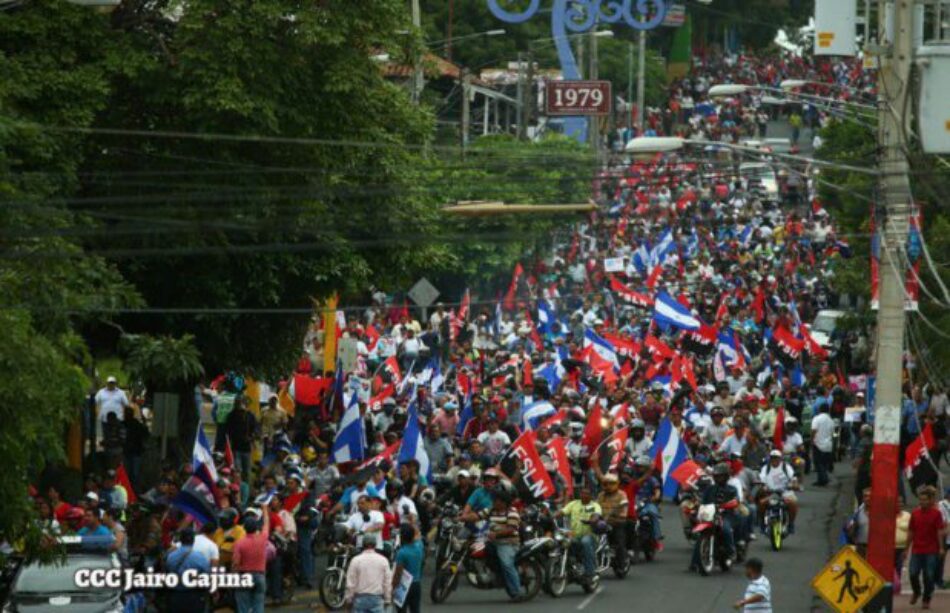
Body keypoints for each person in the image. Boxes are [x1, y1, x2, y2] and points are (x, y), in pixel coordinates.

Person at [907, 485, 946, 608]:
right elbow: (911, 531)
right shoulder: (915, 513)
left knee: (929, 576)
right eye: (921, 500)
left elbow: (939, 531)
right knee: (913, 573)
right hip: (917, 549)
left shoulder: (936, 514)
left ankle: (926, 599)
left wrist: (941, 548)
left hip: (931, 550)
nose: (923, 502)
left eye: (925, 500)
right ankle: (917, 591)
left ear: (930, 500)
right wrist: (906, 548)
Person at [557, 485, 601, 583]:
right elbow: (562, 512)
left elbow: (596, 515)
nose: (584, 495)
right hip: (574, 536)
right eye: (582, 493)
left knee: (585, 542)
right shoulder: (573, 504)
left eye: (587, 493)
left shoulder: (594, 505)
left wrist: (592, 520)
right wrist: (552, 516)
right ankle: (567, 568)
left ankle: (590, 574)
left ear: (591, 495)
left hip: (590, 536)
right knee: (562, 542)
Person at [486, 490, 524, 600]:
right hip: (493, 541)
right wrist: (461, 518)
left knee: (507, 564)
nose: (493, 502)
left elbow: (511, 529)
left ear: (503, 502)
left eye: (496, 500)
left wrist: (496, 534)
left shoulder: (512, 512)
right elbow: (477, 516)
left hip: (508, 543)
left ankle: (517, 592)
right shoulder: (491, 510)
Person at [165, 527, 211, 612]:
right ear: (193, 541)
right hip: (194, 596)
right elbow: (207, 575)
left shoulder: (171, 556)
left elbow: (168, 570)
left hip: (176, 595)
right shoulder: (200, 557)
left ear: (181, 540)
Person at [232, 507, 270, 613]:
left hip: (244, 576)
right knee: (258, 605)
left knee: (243, 606)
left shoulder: (239, 543)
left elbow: (235, 563)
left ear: (244, 528)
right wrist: (265, 510)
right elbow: (266, 524)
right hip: (260, 576)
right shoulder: (263, 538)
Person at [345, 534, 393, 613]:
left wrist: (349, 600)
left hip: (359, 599)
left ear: (363, 545)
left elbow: (350, 583)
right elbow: (387, 582)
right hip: (377, 599)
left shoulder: (355, 560)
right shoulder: (383, 560)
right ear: (375, 545)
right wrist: (387, 599)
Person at [757, 449, 799, 533]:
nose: (774, 460)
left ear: (780, 459)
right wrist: (763, 487)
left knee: (793, 504)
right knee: (761, 504)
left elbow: (793, 479)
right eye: (772, 458)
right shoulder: (766, 468)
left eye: (776, 458)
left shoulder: (786, 467)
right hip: (771, 493)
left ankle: (791, 524)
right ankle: (762, 523)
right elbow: (762, 480)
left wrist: (794, 485)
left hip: (785, 493)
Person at [392, 524, 423, 613]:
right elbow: (418, 535)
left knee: (401, 610)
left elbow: (398, 574)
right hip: (416, 584)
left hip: (404, 586)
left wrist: (392, 587)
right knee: (415, 609)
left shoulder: (402, 553)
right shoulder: (419, 547)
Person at [94, 376, 129, 441]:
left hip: (118, 419)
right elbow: (94, 402)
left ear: (115, 383)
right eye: (110, 383)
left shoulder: (121, 393)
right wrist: (97, 412)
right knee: (106, 436)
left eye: (112, 383)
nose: (111, 384)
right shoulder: (101, 392)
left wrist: (124, 415)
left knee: (117, 436)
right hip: (105, 419)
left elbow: (126, 404)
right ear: (107, 383)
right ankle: (107, 450)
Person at [811, 403, 835, 486]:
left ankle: (823, 479)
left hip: (818, 443)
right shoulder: (831, 420)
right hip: (828, 444)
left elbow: (814, 430)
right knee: (824, 463)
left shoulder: (816, 418)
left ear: (820, 409)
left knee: (818, 463)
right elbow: (832, 433)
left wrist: (812, 439)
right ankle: (821, 479)